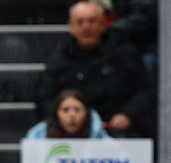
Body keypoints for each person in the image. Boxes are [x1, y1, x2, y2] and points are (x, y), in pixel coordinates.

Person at [35, 0, 155, 137]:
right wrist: (63, 118)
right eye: (80, 22)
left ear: (103, 24)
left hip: (119, 133)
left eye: (92, 21)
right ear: (71, 26)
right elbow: (44, 98)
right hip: (73, 135)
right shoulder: (59, 60)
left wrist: (128, 114)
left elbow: (145, 91)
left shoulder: (124, 54)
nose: (86, 27)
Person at [23, 88, 110, 140]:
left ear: (87, 113)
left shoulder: (101, 138)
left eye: (77, 110)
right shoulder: (37, 137)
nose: (72, 115)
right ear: (56, 113)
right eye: (65, 110)